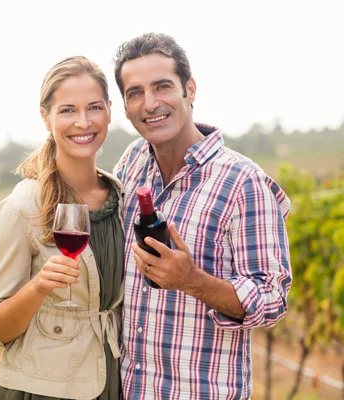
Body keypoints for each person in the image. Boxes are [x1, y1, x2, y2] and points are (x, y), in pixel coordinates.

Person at [112, 33, 291, 399]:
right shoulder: (131, 164)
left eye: (162, 86)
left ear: (189, 90)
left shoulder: (243, 181)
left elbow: (272, 299)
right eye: (135, 93)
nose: (150, 104)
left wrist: (192, 280)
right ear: (126, 105)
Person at [0, 56, 125, 400]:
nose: (83, 122)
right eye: (67, 110)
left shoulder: (123, 199)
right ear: (46, 117)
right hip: (40, 391)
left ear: (108, 110)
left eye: (94, 107)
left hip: (112, 383)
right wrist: (39, 286)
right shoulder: (21, 209)